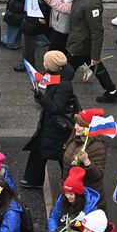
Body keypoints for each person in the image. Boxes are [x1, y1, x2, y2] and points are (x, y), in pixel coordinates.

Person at [44, 0, 117, 103]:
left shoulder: (92, 4)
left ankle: (54, 97)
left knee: (66, 71)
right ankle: (112, 91)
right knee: (96, 66)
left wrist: (95, 55)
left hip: (80, 44)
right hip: (80, 40)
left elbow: (97, 31)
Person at [22, 51, 74, 188]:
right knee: (42, 151)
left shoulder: (64, 85)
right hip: (52, 124)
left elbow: (56, 108)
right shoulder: (57, 76)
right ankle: (35, 180)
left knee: (59, 155)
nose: (43, 63)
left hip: (57, 126)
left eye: (45, 62)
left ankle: (68, 181)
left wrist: (41, 98)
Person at [62, 108, 109, 210]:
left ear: (89, 127)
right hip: (72, 194)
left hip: (85, 198)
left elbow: (98, 175)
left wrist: (87, 162)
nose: (75, 127)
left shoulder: (97, 146)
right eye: (76, 124)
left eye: (80, 125)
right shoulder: (76, 139)